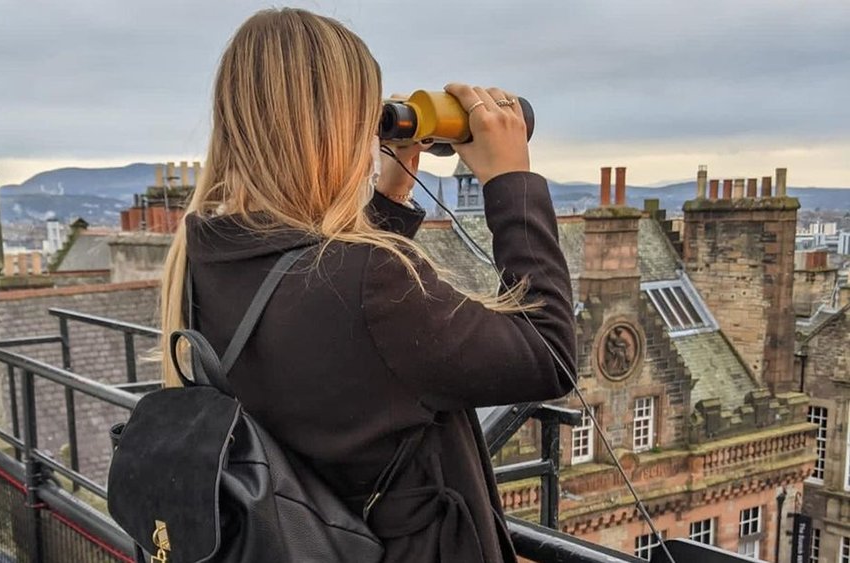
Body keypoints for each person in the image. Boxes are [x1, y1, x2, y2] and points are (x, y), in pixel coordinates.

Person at [159, 8, 576, 562]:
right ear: (337, 130)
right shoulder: (369, 285)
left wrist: (391, 196)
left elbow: (327, 321)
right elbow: (549, 354)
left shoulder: (203, 255)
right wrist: (510, 179)